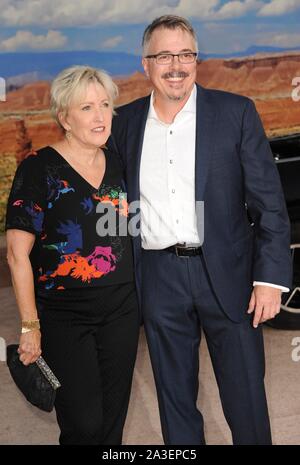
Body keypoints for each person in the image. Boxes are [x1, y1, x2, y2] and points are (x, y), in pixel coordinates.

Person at [108, 15, 293, 445]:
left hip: (231, 276)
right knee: (175, 402)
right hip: (158, 279)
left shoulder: (235, 113)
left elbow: (269, 205)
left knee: (246, 400)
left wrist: (270, 280)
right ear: (146, 63)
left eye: (186, 54)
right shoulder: (124, 123)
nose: (177, 65)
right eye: (165, 55)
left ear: (197, 59)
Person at [6, 66, 140, 445]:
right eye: (86, 107)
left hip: (122, 310)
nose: (100, 117)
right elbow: (17, 255)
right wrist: (30, 326)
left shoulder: (117, 163)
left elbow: (121, 232)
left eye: (105, 105)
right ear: (64, 117)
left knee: (112, 423)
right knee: (83, 425)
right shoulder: (39, 168)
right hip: (64, 315)